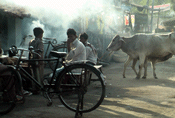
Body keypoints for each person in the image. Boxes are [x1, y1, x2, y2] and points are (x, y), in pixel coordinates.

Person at [29, 27, 44, 94]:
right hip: (37, 61)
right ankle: (39, 88)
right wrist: (40, 61)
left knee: (33, 75)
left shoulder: (31, 42)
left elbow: (30, 52)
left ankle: (34, 88)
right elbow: (39, 53)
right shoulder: (40, 42)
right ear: (40, 34)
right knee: (39, 75)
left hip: (32, 60)